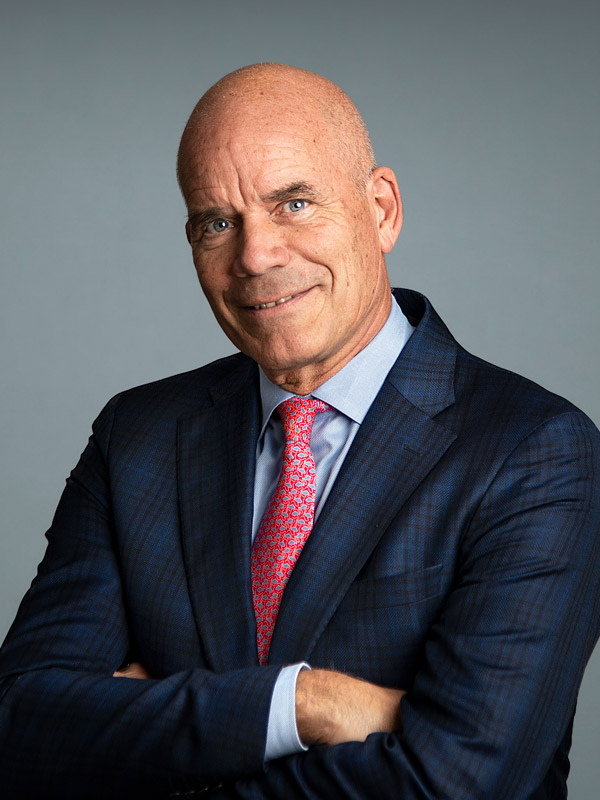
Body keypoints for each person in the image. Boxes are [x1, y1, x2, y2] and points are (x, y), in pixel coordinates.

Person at [0, 63, 599, 800]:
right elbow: (19, 728)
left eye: (294, 203)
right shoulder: (137, 438)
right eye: (218, 223)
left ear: (381, 210)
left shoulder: (535, 450)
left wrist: (146, 747)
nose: (255, 255)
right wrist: (307, 703)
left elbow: (461, 783)